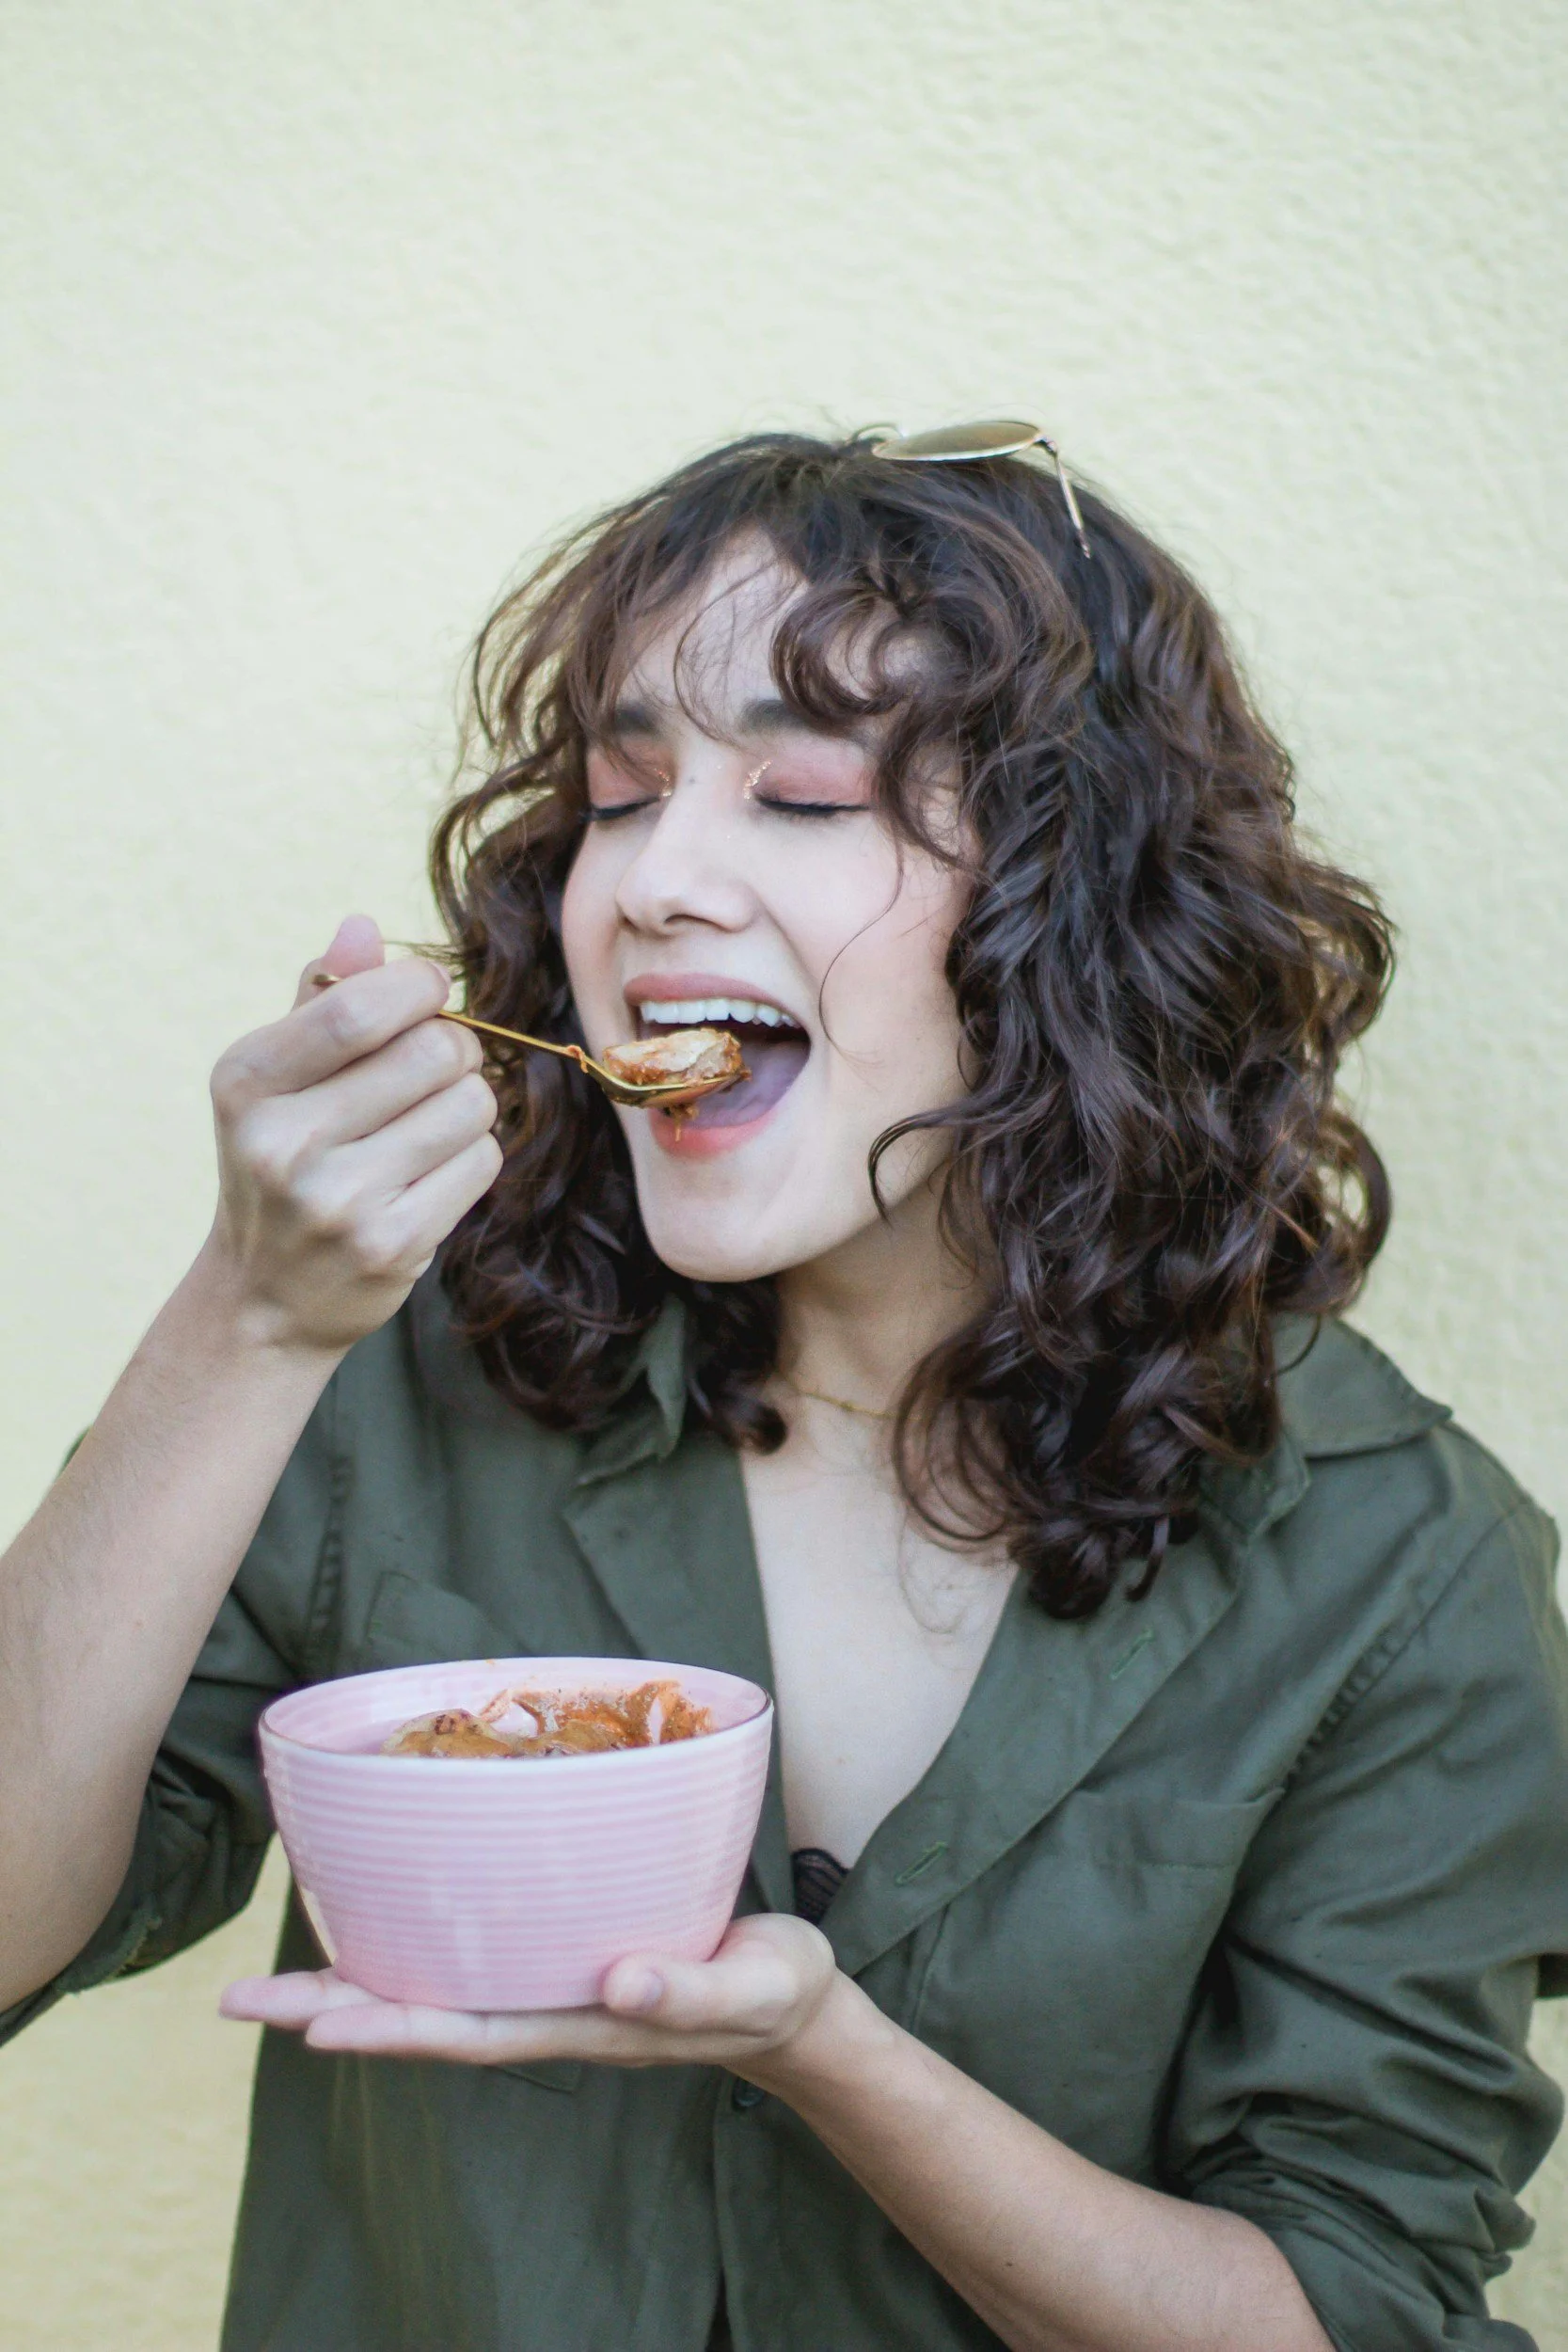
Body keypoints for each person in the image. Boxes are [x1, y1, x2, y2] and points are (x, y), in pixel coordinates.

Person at [2, 425, 1565, 2352]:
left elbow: (1348, 2308)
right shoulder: (394, 1381)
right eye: (619, 791)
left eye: (802, 795)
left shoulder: (1392, 1558)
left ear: (1069, 918)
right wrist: (241, 1316)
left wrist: (827, 2046)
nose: (653, 882)